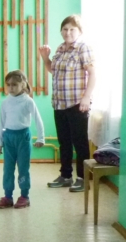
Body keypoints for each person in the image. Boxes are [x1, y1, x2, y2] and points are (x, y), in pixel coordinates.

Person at [39, 14, 96, 193]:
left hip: (77, 103)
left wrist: (86, 97)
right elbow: (53, 71)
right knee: (64, 142)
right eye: (65, 29)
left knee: (80, 143)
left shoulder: (83, 48)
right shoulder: (61, 49)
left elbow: (93, 74)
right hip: (59, 104)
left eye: (72, 29)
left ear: (79, 31)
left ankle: (82, 178)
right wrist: (45, 57)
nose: (68, 32)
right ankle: (65, 176)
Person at [0, 70, 45, 209]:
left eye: (14, 84)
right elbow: (2, 123)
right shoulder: (5, 103)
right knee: (8, 169)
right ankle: (8, 196)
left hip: (23, 138)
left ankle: (24, 196)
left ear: (23, 85)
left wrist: (41, 138)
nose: (11, 87)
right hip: (8, 138)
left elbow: (37, 119)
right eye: (8, 84)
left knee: (23, 168)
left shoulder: (28, 101)